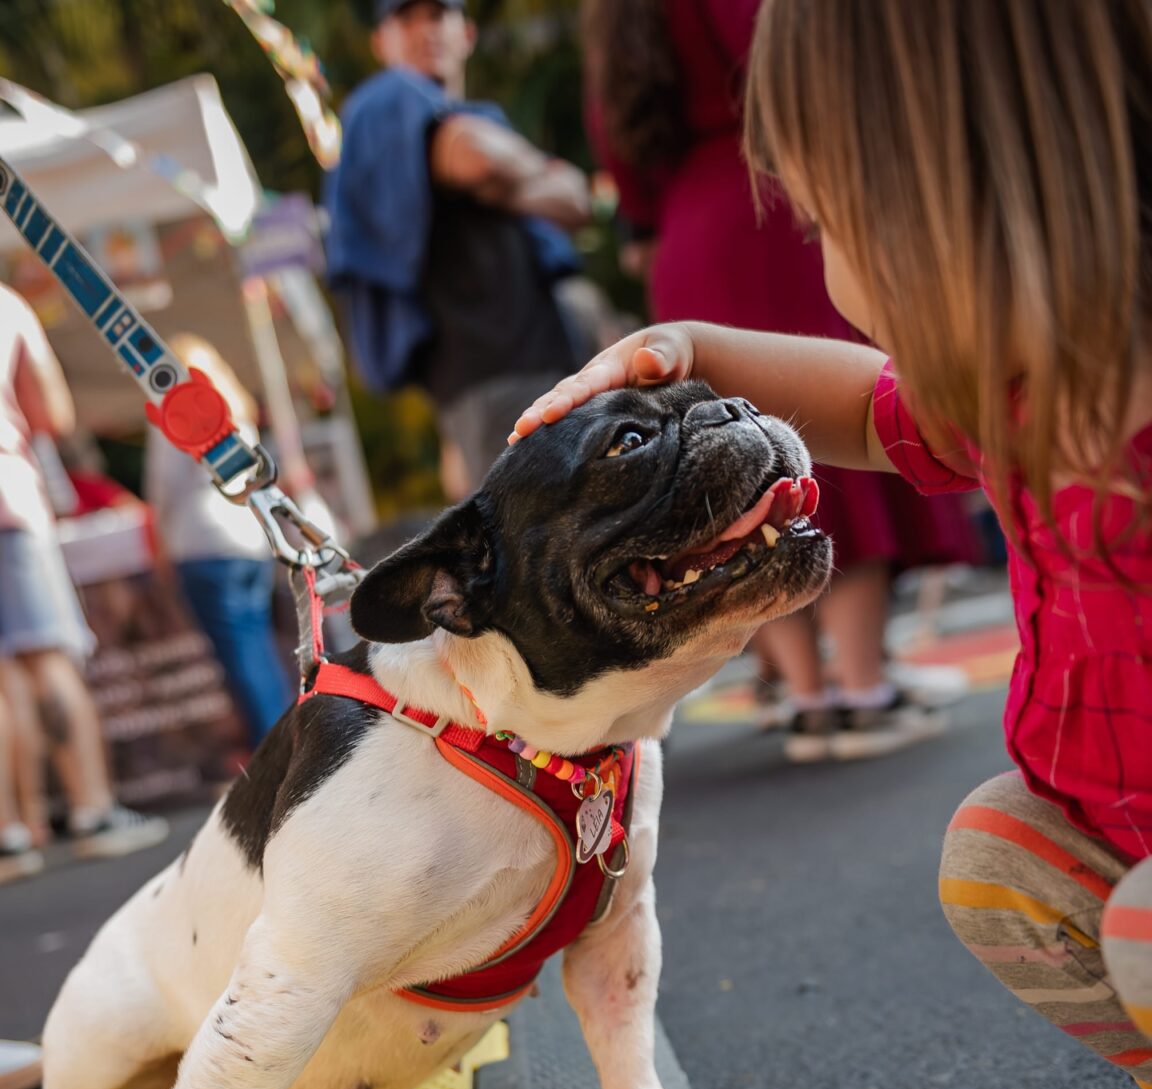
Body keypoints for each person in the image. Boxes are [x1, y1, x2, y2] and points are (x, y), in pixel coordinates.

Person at [511, 0, 1152, 1089]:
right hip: (1122, 830)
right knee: (998, 853)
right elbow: (866, 401)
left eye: (826, 224)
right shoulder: (1024, 388)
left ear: (942, 204)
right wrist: (689, 353)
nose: (824, 263)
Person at [581, 0, 980, 763]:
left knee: (734, 471)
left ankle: (807, 696)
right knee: (824, 446)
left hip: (685, 233)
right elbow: (791, 64)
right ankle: (864, 685)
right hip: (767, 204)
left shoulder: (616, 21)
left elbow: (620, 150)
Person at [324, 0, 593, 494]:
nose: (426, 30)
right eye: (406, 18)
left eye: (438, 14)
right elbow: (476, 157)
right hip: (492, 380)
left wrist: (502, 180)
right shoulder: (386, 100)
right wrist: (529, 174)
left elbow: (577, 200)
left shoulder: (474, 114)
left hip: (547, 364)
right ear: (380, 42)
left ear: (466, 32)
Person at [0, 282, 168, 870]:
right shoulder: (6, 305)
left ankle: (11, 832)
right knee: (49, 656)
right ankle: (92, 809)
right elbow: (52, 413)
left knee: (3, 674)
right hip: (9, 503)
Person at [143, 335, 294, 750]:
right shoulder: (236, 412)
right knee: (261, 651)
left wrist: (158, 546)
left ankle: (277, 752)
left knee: (242, 660)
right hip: (248, 540)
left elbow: (163, 488)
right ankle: (293, 742)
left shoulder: (178, 411)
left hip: (204, 544)